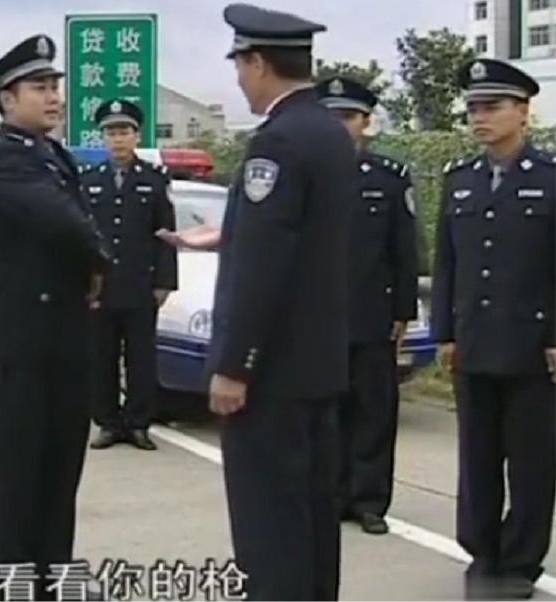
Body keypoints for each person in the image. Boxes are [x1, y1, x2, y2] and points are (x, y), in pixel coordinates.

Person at [210, 5, 355, 599]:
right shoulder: (330, 132)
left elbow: (262, 266)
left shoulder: (278, 142)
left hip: (272, 372)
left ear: (258, 63)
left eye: (240, 66)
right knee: (313, 515)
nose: (240, 80)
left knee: (269, 523)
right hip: (318, 363)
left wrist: (235, 364)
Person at [0, 34, 110, 599]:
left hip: (62, 339)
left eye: (56, 85)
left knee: (59, 471)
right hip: (20, 341)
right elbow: (62, 220)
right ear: (8, 99)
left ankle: (55, 576)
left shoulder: (51, 154)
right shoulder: (5, 158)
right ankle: (12, 585)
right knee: (16, 476)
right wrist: (100, 258)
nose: (54, 96)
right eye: (40, 87)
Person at [433, 58, 555, 601]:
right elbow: (447, 265)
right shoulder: (461, 179)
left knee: (531, 463)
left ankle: (520, 562)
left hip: (534, 348)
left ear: (523, 112)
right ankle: (482, 551)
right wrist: (446, 332)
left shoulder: (549, 178)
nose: (479, 117)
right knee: (478, 458)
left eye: (492, 107)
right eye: (473, 109)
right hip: (476, 342)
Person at [315, 77, 419, 536]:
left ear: (365, 123)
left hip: (373, 314)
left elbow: (405, 249)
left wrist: (403, 311)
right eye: (332, 117)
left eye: (348, 117)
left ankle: (370, 500)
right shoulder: (307, 173)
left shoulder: (389, 178)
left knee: (374, 410)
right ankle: (331, 496)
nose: (340, 126)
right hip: (319, 317)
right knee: (327, 411)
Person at [82, 99, 177, 451]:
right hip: (100, 286)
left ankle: (138, 423)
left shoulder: (154, 179)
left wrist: (165, 281)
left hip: (140, 284)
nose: (118, 139)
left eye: (124, 132)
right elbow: (81, 236)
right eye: (111, 133)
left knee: (141, 358)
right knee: (101, 357)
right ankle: (107, 422)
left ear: (136, 136)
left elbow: (165, 234)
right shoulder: (88, 181)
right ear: (102, 138)